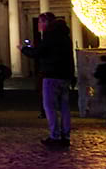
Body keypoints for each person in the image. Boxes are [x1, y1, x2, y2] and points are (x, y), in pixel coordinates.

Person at [19, 12, 75, 147]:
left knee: (49, 107)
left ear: (45, 23)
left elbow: (38, 53)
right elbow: (69, 57)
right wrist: (72, 75)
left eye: (39, 22)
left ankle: (54, 136)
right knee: (65, 108)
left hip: (51, 75)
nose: (38, 25)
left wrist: (24, 49)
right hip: (65, 76)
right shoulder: (65, 37)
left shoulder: (49, 36)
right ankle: (65, 136)